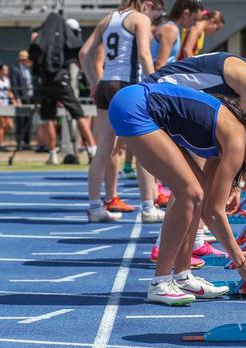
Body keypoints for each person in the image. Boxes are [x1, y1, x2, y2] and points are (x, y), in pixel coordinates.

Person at [108, 82, 246, 305]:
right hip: (134, 106)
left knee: (198, 190)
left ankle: (182, 275)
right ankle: (160, 282)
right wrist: (240, 260)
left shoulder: (233, 137)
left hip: (137, 103)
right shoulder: (237, 141)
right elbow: (215, 213)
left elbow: (208, 207)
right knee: (190, 192)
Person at [144, 35, 246, 262]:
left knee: (208, 171)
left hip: (165, 99)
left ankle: (195, 240)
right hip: (157, 100)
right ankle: (165, 246)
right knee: (191, 183)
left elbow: (240, 154)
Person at [79, 0, 166, 223]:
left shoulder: (107, 19)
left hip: (106, 85)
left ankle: (94, 207)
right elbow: (145, 55)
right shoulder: (140, 19)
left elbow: (83, 54)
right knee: (144, 150)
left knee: (102, 151)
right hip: (127, 86)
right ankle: (148, 207)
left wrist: (93, 81)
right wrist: (156, 85)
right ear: (146, 4)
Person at [28, 12, 96, 165]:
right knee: (78, 114)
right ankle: (92, 149)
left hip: (46, 81)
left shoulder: (45, 38)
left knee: (49, 118)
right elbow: (78, 56)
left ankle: (53, 154)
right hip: (63, 81)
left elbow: (34, 54)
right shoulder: (66, 39)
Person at [152, 0, 202, 70]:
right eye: (194, 19)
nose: (195, 24)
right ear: (186, 14)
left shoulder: (172, 28)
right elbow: (160, 65)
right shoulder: (171, 29)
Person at [11, 50, 34, 150]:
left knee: (28, 121)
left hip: (29, 98)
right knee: (20, 122)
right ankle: (19, 143)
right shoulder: (15, 70)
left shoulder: (29, 70)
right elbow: (14, 85)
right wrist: (17, 98)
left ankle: (27, 142)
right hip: (21, 99)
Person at [0, 64, 18, 151]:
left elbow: (9, 91)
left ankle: (0, 140)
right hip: (0, 106)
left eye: (7, 70)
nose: (6, 72)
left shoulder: (7, 80)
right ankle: (1, 145)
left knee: (10, 125)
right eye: (4, 70)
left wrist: (14, 100)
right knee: (1, 125)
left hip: (6, 106)